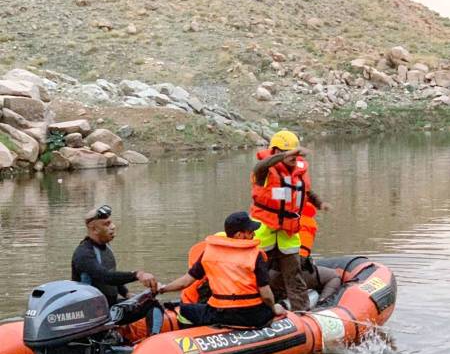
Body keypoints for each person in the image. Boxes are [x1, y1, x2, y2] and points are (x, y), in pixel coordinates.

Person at [158, 212, 287, 328]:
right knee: (278, 306)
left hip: (218, 313)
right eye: (250, 231)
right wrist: (272, 308)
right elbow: (265, 294)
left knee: (184, 309)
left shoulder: (209, 253)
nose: (253, 234)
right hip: (251, 315)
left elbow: (185, 281)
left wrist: (163, 289)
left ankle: (191, 335)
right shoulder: (256, 255)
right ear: (239, 235)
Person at [250, 130, 331, 311]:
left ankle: (301, 313)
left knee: (294, 276)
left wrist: (320, 203)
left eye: (297, 153)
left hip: (288, 232)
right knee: (257, 274)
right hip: (264, 232)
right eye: (290, 154)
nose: (295, 158)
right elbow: (261, 166)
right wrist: (285, 155)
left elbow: (306, 192)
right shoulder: (264, 171)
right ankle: (254, 310)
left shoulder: (299, 171)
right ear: (278, 151)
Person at [71, 205, 158, 307]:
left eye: (111, 222)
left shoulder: (106, 246)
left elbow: (113, 277)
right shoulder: (84, 253)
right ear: (94, 229)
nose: (113, 227)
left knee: (150, 302)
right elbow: (105, 277)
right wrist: (137, 275)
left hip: (109, 305)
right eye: (106, 224)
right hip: (91, 311)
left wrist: (126, 294)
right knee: (152, 307)